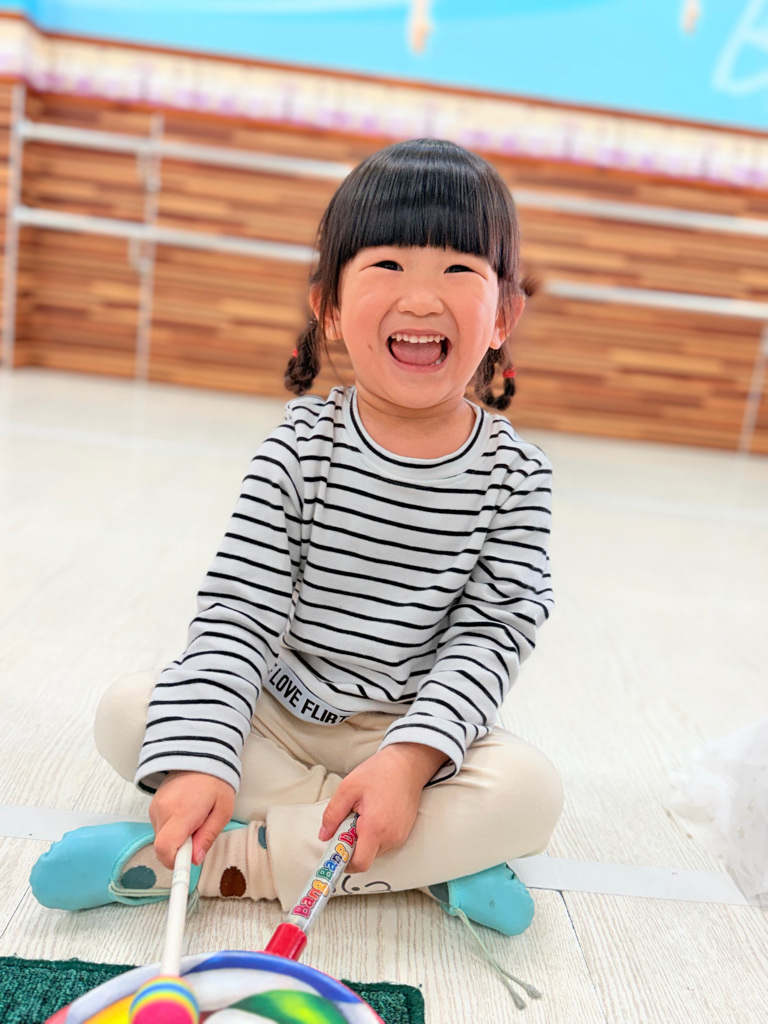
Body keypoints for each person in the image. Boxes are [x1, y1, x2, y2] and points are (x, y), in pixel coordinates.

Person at [30, 139, 563, 945]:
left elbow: (493, 635)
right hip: (281, 716)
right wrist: (205, 758)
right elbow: (238, 611)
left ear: (503, 316)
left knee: (531, 794)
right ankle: (409, 854)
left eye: (459, 269)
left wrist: (408, 764)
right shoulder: (301, 445)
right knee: (128, 712)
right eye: (387, 265)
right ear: (329, 306)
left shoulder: (518, 475)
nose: (422, 296)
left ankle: (225, 863)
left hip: (407, 734)